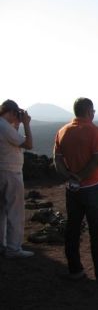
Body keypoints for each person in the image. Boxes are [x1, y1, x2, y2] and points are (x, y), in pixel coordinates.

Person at [54, 98, 98, 283]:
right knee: (97, 232)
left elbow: (57, 160)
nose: (94, 114)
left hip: (72, 191)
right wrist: (81, 177)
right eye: (93, 111)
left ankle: (75, 270)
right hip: (92, 189)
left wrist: (70, 177)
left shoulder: (62, 131)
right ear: (89, 111)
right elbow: (97, 160)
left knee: (73, 230)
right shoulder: (94, 130)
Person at [0, 100, 34, 258]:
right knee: (15, 212)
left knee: (2, 212)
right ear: (12, 112)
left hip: (3, 171)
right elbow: (28, 144)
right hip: (11, 173)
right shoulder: (4, 126)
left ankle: (3, 245)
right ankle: (13, 249)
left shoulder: (3, 126)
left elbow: (13, 139)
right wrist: (26, 125)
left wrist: (18, 125)